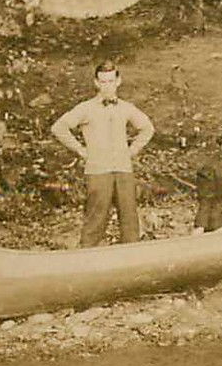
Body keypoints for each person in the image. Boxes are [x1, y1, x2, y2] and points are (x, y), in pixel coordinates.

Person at [51, 61, 155, 247]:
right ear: (96, 83)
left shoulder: (126, 107)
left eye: (111, 81)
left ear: (118, 81)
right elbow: (59, 127)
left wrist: (132, 151)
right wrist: (80, 149)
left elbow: (147, 128)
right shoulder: (86, 108)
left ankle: (131, 261)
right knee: (96, 218)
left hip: (123, 169)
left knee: (129, 218)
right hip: (98, 170)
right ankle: (86, 260)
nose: (107, 86)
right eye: (103, 82)